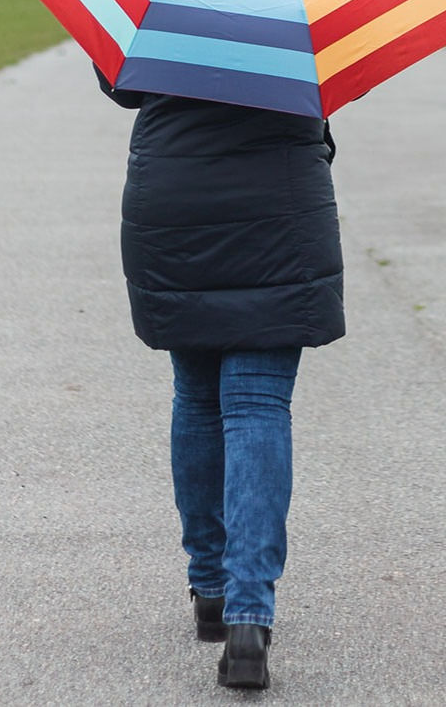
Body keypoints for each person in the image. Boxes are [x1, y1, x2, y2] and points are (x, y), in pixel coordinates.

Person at [95, 66, 344, 690]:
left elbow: (121, 85)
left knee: (199, 398)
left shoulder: (162, 5)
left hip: (175, 198)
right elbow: (336, 81)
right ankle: (249, 616)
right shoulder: (304, 14)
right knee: (258, 402)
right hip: (281, 202)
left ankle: (210, 587)